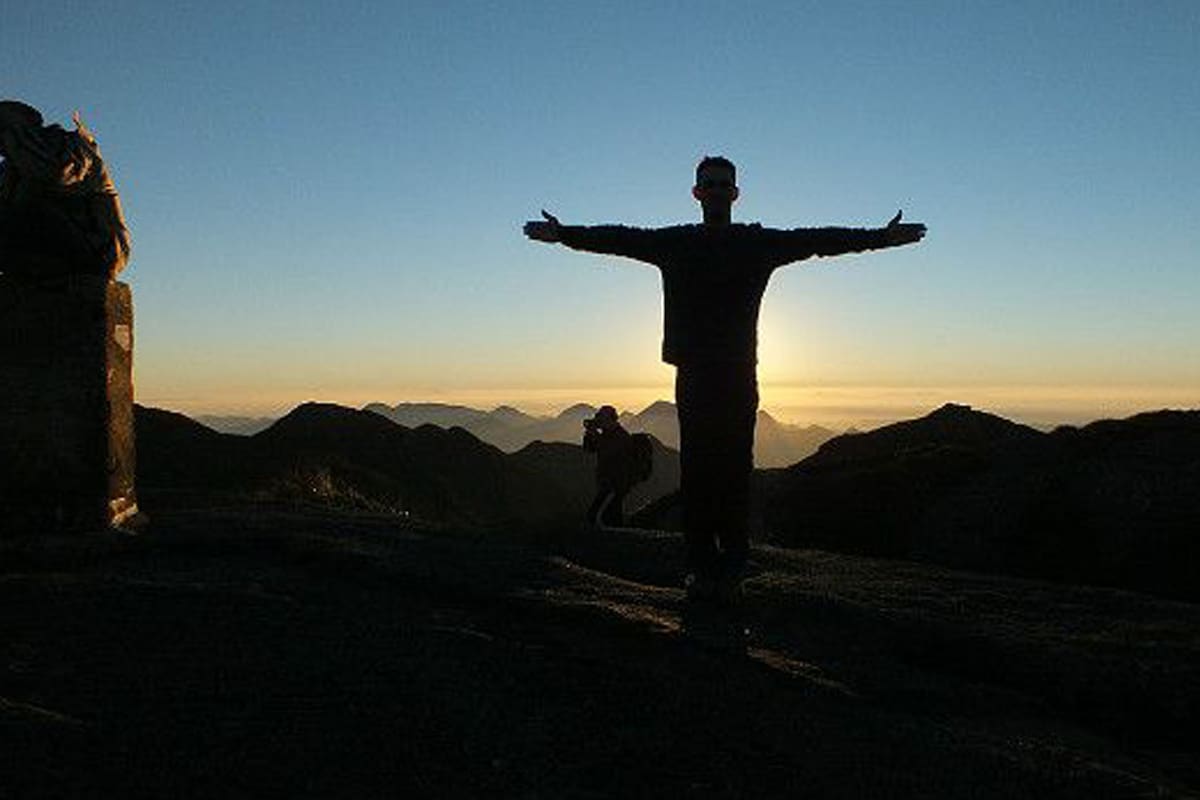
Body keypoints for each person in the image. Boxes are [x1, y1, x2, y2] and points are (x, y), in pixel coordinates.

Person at [525, 156, 926, 601]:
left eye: (723, 184)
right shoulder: (676, 244)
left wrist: (881, 239)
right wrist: (565, 235)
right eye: (708, 184)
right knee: (698, 469)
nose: (716, 190)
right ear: (697, 193)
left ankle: (732, 567)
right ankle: (702, 567)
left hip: (738, 374)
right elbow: (620, 238)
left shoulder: (756, 243)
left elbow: (818, 240)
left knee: (735, 469)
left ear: (734, 194)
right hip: (694, 373)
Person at [0, 100, 131, 279]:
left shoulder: (70, 145)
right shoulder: (12, 167)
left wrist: (15, 140)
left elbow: (54, 173)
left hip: (99, 248)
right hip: (50, 243)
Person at [582, 405, 634, 527]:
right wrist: (589, 434)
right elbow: (589, 449)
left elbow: (607, 451)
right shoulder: (606, 435)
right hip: (608, 481)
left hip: (618, 482)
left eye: (601, 418)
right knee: (611, 514)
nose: (599, 421)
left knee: (603, 514)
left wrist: (595, 434)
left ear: (611, 419)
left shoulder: (621, 436)